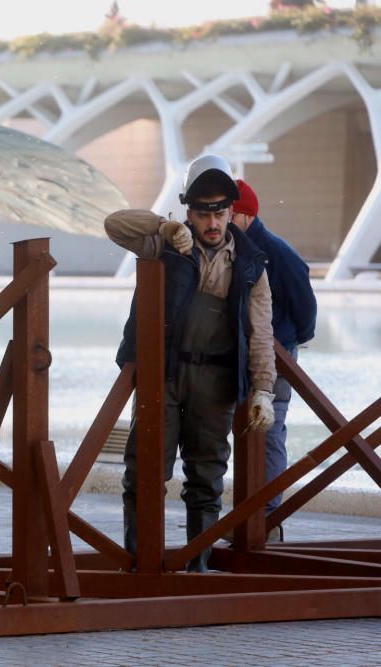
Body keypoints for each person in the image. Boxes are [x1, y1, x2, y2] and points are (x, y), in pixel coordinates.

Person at [106, 155, 276, 572]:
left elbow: (261, 333)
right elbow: (115, 225)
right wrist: (161, 228)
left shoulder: (252, 264)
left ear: (232, 212)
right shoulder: (166, 244)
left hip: (215, 384)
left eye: (219, 212)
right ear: (189, 213)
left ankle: (195, 568)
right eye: (203, 214)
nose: (212, 222)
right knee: (144, 472)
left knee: (206, 479)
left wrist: (264, 390)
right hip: (162, 377)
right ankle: (139, 564)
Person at [232, 178, 317, 540]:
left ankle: (267, 520)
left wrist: (293, 339)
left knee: (269, 432)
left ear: (245, 215)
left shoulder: (277, 252)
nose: (220, 220)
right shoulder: (239, 247)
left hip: (278, 356)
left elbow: (305, 304)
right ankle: (251, 517)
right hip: (246, 355)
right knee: (249, 432)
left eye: (229, 213)